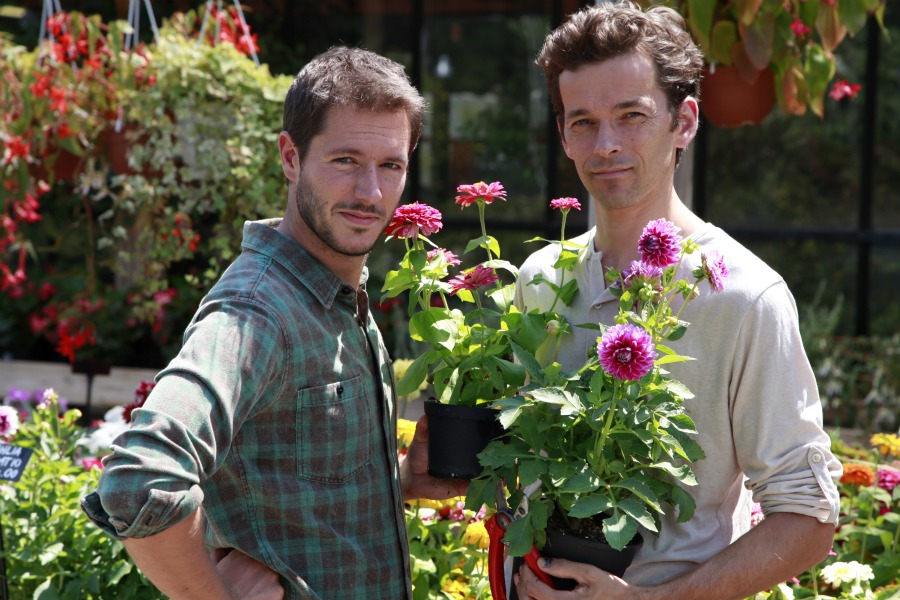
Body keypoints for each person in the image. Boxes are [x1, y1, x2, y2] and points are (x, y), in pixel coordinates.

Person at [81, 46, 466, 600]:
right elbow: (140, 477)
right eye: (345, 161)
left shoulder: (334, 290)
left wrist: (396, 479)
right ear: (291, 157)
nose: (371, 193)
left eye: (391, 165)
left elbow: (286, 484)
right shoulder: (258, 311)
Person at [512, 3, 841, 599]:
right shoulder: (541, 278)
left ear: (684, 121)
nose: (605, 144)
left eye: (631, 116)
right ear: (563, 135)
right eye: (582, 121)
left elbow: (808, 517)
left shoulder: (744, 296)